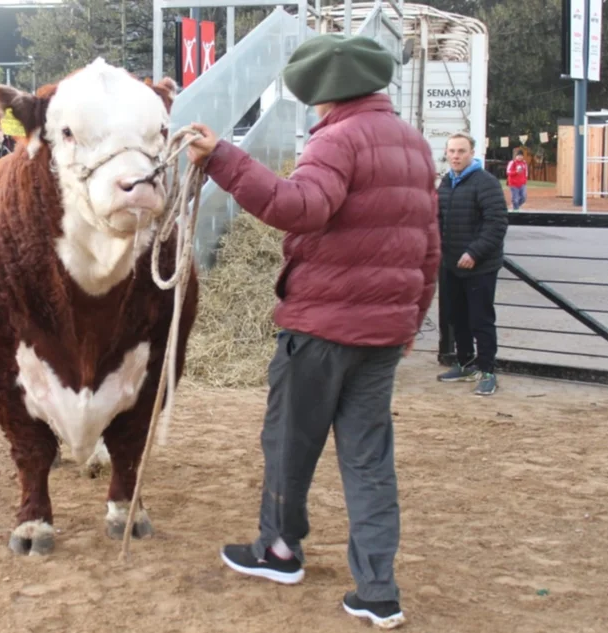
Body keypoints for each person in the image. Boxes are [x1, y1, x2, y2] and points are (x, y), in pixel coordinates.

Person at [186, 35, 440, 629]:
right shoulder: (414, 145)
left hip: (321, 326)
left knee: (288, 443)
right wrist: (412, 320)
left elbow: (302, 208)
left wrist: (222, 158)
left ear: (324, 95)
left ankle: (279, 549)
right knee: (370, 460)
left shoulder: (337, 139)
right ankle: (378, 589)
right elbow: (429, 247)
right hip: (382, 334)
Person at [436, 133, 508, 396]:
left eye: (461, 151)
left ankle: (487, 370)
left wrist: (474, 252)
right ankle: (465, 363)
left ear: (472, 153)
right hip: (451, 263)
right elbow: (436, 218)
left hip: (480, 265)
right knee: (457, 316)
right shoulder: (446, 183)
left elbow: (496, 223)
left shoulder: (486, 183)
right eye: (452, 151)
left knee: (481, 319)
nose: (455, 156)